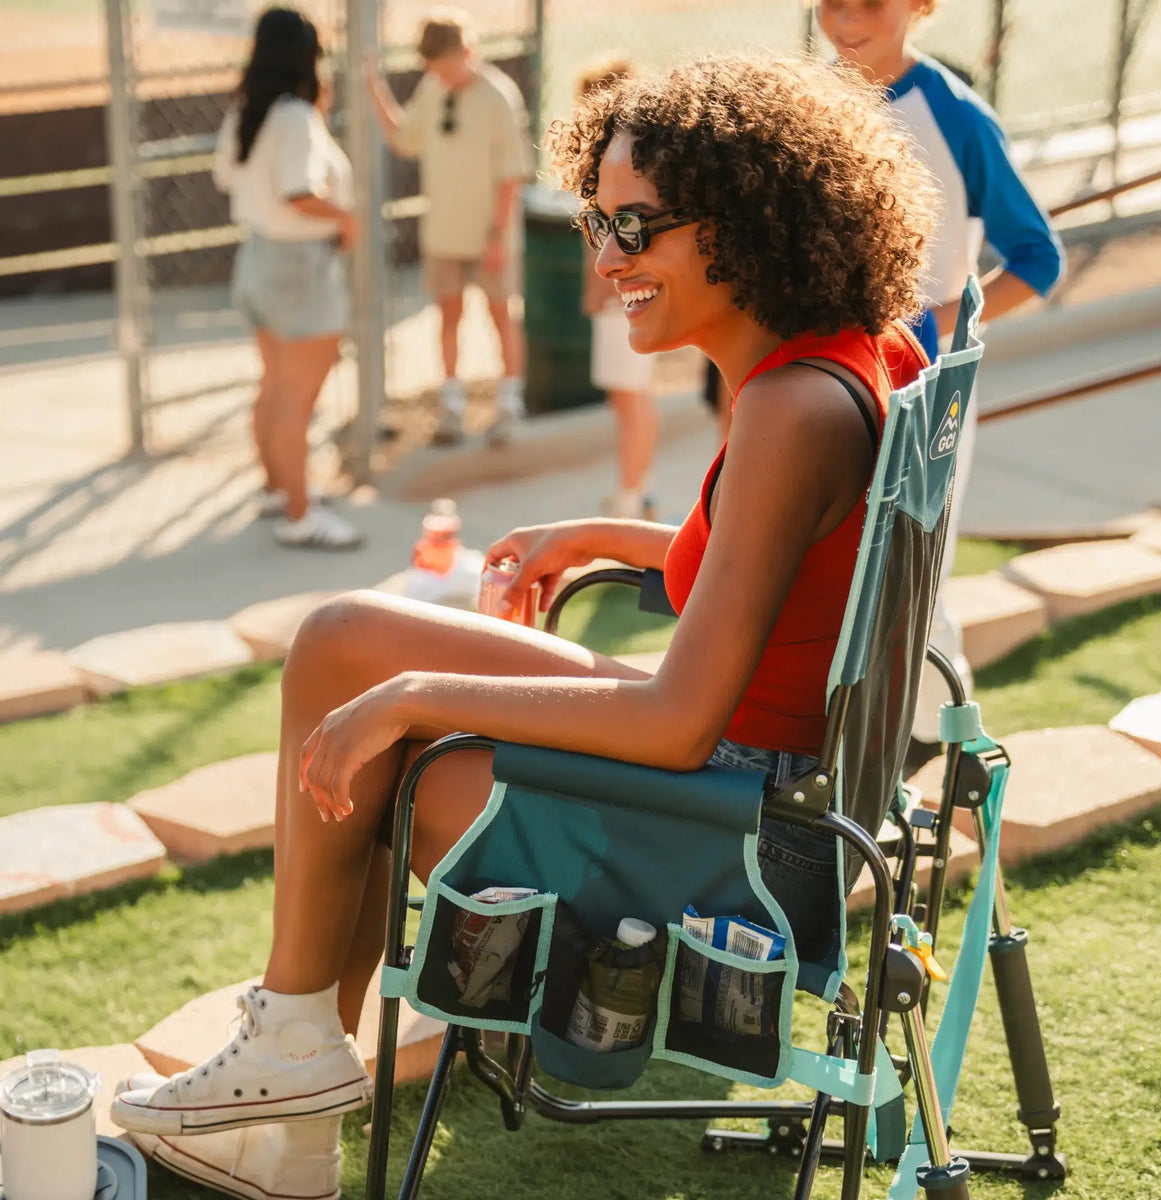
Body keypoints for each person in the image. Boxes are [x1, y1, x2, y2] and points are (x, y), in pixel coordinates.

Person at [109, 53, 936, 1197]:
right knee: (343, 635)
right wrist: (604, 532)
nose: (605, 259)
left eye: (637, 227)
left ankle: (292, 1082)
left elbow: (677, 722)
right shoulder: (854, 351)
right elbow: (783, 563)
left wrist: (416, 697)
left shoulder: (793, 409)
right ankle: (293, 1066)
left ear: (744, 224)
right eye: (597, 220)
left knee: (388, 736)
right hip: (756, 777)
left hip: (728, 838)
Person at [817, 0, 1064, 752]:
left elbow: (1037, 257)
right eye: (831, 0)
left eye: (870, 2)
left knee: (914, 571)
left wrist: (935, 323)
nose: (846, 18)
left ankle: (947, 755)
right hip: (825, 381)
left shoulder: (955, 115)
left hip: (926, 392)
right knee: (827, 567)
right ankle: (840, 755)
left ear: (921, 6)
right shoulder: (806, 103)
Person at [213, 7, 363, 550]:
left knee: (275, 388)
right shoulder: (294, 115)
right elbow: (297, 192)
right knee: (296, 401)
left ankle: (281, 489)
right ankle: (301, 516)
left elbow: (227, 177)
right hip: (299, 266)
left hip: (257, 258)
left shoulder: (249, 109)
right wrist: (348, 219)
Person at [370, 9, 533, 447]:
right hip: (445, 234)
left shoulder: (499, 96)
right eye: (433, 67)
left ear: (466, 51)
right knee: (449, 317)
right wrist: (374, 89)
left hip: (489, 236)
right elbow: (405, 139)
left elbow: (511, 174)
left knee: (502, 317)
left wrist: (497, 236)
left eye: (445, 64)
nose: (440, 73)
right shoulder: (432, 89)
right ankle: (453, 405)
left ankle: (509, 403)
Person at [577, 59, 658, 520]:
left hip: (622, 298)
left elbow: (617, 243)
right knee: (624, 396)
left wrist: (601, 288)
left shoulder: (624, 165)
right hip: (612, 300)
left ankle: (632, 496)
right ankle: (632, 490)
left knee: (632, 396)